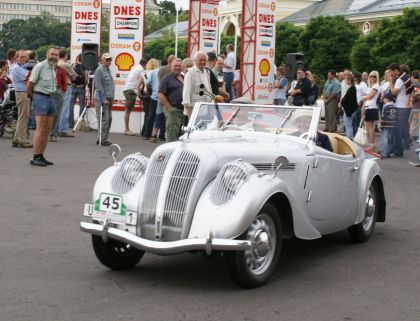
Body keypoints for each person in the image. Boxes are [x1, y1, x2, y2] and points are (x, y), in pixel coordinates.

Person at [27, 46, 59, 166]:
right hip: (40, 97)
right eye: (52, 54)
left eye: (56, 55)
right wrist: (34, 97)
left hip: (51, 98)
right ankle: (35, 156)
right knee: (40, 129)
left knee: (47, 129)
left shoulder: (53, 68)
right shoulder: (40, 66)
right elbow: (30, 84)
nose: (54, 56)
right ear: (47, 54)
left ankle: (41, 155)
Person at [388, 63, 414, 157]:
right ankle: (398, 148)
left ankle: (398, 151)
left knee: (397, 130)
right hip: (405, 106)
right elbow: (412, 90)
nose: (390, 73)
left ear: (395, 70)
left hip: (401, 107)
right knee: (401, 129)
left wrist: (390, 82)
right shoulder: (406, 77)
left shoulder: (399, 79)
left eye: (391, 71)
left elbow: (394, 92)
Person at [158, 58, 184, 142]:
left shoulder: (184, 77)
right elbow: (160, 94)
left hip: (183, 111)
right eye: (175, 66)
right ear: (171, 67)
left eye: (179, 66)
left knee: (181, 134)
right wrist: (169, 108)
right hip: (173, 110)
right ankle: (170, 153)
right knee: (171, 135)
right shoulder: (166, 78)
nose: (177, 68)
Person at [182, 51, 212, 118]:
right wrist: (190, 114)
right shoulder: (190, 73)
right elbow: (186, 95)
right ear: (195, 61)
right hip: (195, 111)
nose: (203, 62)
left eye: (204, 60)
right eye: (200, 60)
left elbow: (209, 90)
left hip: (207, 110)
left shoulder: (207, 72)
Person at [11, 50, 32, 148]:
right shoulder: (17, 68)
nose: (24, 58)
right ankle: (22, 140)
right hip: (22, 93)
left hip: (22, 93)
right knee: (23, 117)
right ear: (17, 58)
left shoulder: (21, 67)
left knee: (22, 117)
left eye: (25, 57)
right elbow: (29, 79)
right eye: (22, 57)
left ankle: (16, 139)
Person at [94, 53, 115, 146]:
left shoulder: (108, 70)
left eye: (110, 59)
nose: (109, 61)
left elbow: (110, 85)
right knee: (104, 119)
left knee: (109, 119)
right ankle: (102, 139)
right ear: (102, 60)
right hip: (102, 99)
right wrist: (103, 98)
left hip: (109, 98)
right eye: (107, 59)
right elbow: (98, 86)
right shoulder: (99, 70)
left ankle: (103, 138)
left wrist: (111, 97)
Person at [57, 49, 77, 137]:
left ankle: (56, 128)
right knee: (65, 109)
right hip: (66, 86)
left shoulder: (56, 63)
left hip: (57, 87)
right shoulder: (65, 65)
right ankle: (62, 129)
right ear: (65, 55)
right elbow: (74, 77)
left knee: (58, 109)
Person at [123, 59, 144, 135]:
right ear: (144, 64)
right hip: (131, 90)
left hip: (127, 89)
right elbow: (142, 81)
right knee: (128, 110)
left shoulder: (136, 68)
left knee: (128, 110)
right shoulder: (141, 69)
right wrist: (140, 93)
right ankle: (126, 129)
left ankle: (126, 129)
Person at [361, 71, 380, 150]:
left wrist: (363, 97)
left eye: (374, 76)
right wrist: (363, 108)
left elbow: (370, 97)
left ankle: (371, 145)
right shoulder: (370, 86)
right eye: (371, 76)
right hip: (367, 107)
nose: (372, 78)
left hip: (371, 107)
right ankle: (371, 144)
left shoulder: (376, 86)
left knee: (370, 127)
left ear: (377, 77)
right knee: (368, 127)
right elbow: (367, 97)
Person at [69, 54, 89, 130]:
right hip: (81, 88)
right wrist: (84, 85)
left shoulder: (73, 65)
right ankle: (80, 123)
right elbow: (86, 79)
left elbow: (70, 76)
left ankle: (70, 123)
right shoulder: (85, 67)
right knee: (81, 105)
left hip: (73, 87)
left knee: (71, 105)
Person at [143, 58, 160, 141]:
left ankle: (147, 134)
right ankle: (160, 135)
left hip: (153, 96)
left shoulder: (151, 72)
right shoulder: (166, 71)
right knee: (161, 116)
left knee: (150, 116)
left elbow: (147, 83)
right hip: (162, 97)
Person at [49, 64, 67, 142]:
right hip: (45, 91)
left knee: (56, 114)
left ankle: (53, 134)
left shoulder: (61, 69)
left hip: (57, 90)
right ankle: (44, 133)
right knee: (45, 114)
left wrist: (62, 91)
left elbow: (65, 82)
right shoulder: (42, 67)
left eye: (56, 55)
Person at [341, 74, 358, 139]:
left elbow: (347, 100)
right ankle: (350, 137)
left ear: (349, 80)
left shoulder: (351, 89)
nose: (345, 80)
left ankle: (349, 138)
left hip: (350, 110)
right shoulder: (351, 88)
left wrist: (341, 102)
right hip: (351, 110)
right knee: (349, 124)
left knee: (348, 125)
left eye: (346, 79)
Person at [380, 92, 396, 158]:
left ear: (386, 99)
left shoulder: (386, 107)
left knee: (384, 139)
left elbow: (384, 117)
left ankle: (384, 153)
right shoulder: (394, 106)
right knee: (390, 139)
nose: (383, 99)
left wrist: (381, 126)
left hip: (386, 125)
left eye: (384, 98)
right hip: (393, 125)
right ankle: (389, 152)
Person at [353, 71, 368, 135]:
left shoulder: (363, 84)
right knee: (353, 121)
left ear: (356, 77)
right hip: (353, 104)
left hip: (359, 105)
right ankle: (354, 134)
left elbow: (365, 94)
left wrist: (361, 101)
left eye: (353, 76)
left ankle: (357, 135)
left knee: (358, 120)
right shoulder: (353, 84)